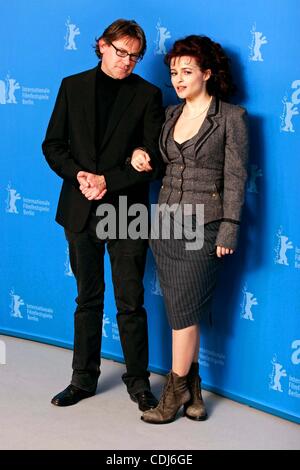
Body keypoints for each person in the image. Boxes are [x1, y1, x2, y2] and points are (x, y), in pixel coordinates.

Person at [42, 19, 164, 411]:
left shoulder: (148, 94)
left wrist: (107, 182)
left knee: (131, 301)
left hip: (126, 210)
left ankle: (139, 382)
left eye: (134, 56)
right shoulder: (71, 86)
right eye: (120, 51)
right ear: (101, 45)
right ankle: (82, 380)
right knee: (87, 300)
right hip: (80, 207)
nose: (126, 61)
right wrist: (79, 176)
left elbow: (153, 160)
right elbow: (53, 145)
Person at [131, 35, 248, 424]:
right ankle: (194, 388)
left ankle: (174, 392)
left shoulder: (231, 118)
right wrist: (142, 157)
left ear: (207, 74)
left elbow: (236, 178)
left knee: (182, 314)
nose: (178, 79)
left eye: (187, 71)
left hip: (204, 227)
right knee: (184, 311)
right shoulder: (168, 115)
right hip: (164, 223)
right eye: (173, 73)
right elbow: (165, 166)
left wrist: (229, 229)